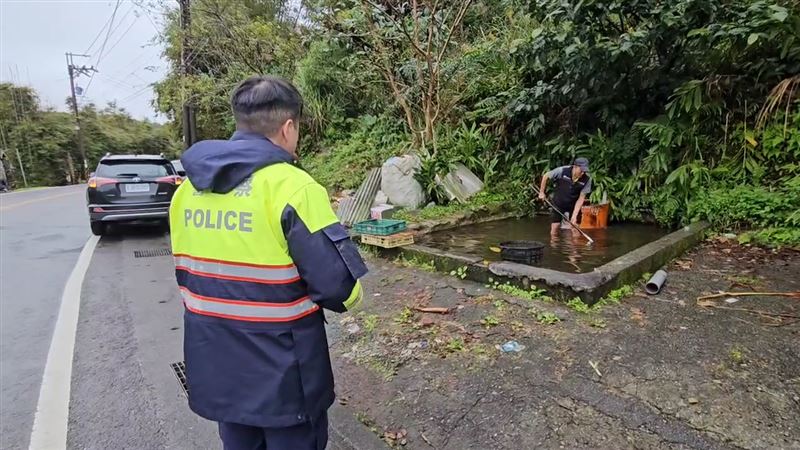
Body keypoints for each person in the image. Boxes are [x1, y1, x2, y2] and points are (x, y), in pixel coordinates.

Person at [169, 75, 368, 450]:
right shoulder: (293, 187)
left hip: (217, 363)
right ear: (288, 127)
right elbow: (337, 288)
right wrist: (356, 295)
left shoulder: (188, 190)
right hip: (283, 373)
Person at [537, 157, 591, 235]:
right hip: (559, 202)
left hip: (573, 204)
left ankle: (575, 247)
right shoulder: (562, 171)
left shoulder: (587, 179)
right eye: (581, 170)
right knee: (555, 227)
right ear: (575, 167)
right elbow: (546, 176)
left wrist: (574, 216)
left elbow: (581, 198)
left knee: (575, 227)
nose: (583, 173)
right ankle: (554, 245)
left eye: (584, 171)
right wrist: (541, 192)